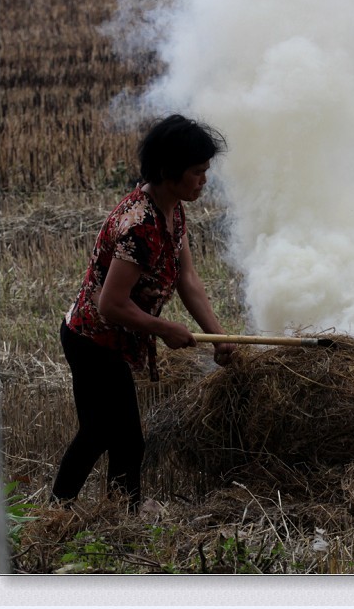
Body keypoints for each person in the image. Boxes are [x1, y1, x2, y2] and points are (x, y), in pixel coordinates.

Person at [52, 114, 235, 510]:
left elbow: (188, 280)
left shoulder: (172, 210)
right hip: (92, 339)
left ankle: (106, 512)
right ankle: (67, 512)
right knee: (110, 434)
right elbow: (111, 304)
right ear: (170, 171)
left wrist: (218, 337)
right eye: (198, 172)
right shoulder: (140, 225)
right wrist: (164, 328)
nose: (204, 180)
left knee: (109, 433)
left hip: (113, 339)